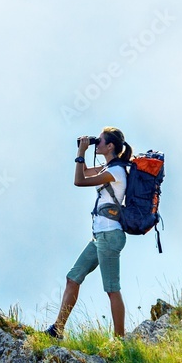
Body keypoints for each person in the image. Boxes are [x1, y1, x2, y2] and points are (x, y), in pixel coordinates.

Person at [45, 127, 132, 340]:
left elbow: (79, 181)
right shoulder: (107, 169)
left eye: (100, 141)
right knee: (72, 278)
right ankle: (58, 330)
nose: (97, 143)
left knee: (112, 289)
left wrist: (81, 153)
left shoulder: (117, 171)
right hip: (99, 236)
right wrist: (82, 153)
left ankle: (120, 340)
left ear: (110, 146)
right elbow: (83, 174)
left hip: (110, 235)